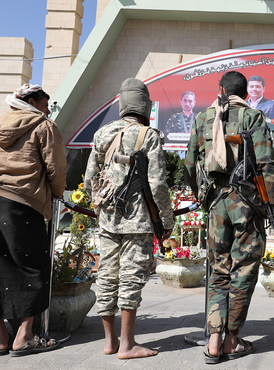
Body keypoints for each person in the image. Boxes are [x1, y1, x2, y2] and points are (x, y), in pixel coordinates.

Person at [184, 71, 274, 364]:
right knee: (242, 272)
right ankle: (232, 340)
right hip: (247, 208)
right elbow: (267, 166)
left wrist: (202, 196)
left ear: (221, 90)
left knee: (218, 272)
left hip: (216, 205)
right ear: (246, 93)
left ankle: (213, 341)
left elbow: (189, 165)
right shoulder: (253, 117)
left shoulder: (204, 117)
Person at [85, 78, 174, 359]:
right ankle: (128, 344)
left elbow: (89, 181)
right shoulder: (148, 135)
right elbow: (158, 184)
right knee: (131, 279)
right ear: (145, 105)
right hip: (138, 223)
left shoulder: (102, 134)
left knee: (107, 278)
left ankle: (110, 342)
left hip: (108, 221)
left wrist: (101, 210)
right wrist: (167, 220)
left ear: (122, 103)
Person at [0, 84, 66, 357]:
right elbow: (56, 167)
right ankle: (24, 337)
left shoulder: (1, 123)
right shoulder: (44, 126)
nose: (48, 109)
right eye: (45, 103)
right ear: (31, 101)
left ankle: (1, 338)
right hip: (24, 203)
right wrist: (57, 194)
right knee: (32, 266)